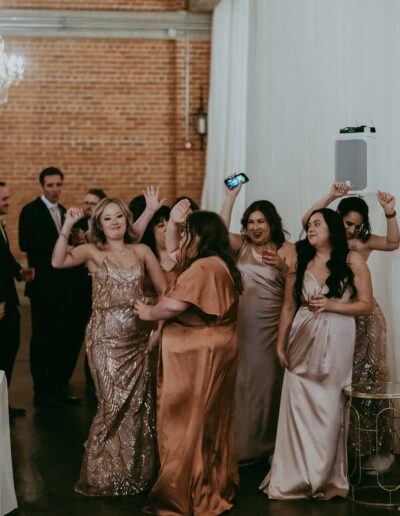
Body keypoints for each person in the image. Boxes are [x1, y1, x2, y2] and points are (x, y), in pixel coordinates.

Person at [52, 197, 166, 496]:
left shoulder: (141, 251)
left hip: (138, 338)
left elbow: (165, 290)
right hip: (103, 339)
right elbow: (57, 261)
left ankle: (135, 473)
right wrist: (66, 225)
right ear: (99, 225)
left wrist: (158, 329)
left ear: (127, 221)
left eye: (119, 217)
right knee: (112, 404)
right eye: (107, 218)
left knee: (138, 406)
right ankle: (103, 474)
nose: (115, 222)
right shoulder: (92, 251)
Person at [134, 203, 243, 515]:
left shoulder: (203, 267)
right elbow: (174, 256)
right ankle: (209, 483)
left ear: (201, 237)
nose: (182, 240)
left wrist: (147, 312)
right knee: (210, 418)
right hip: (214, 345)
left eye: (187, 234)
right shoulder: (217, 261)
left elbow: (171, 307)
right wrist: (176, 224)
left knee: (186, 420)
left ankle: (184, 491)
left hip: (199, 353)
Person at [260, 208, 373, 500]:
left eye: (317, 224)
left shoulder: (352, 260)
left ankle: (326, 476)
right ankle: (293, 476)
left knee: (330, 405)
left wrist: (332, 305)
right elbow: (288, 307)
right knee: (296, 402)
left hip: (337, 339)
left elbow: (366, 305)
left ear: (332, 228)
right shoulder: (299, 261)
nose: (310, 229)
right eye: (309, 225)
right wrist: (279, 343)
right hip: (301, 337)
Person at [301, 183, 399, 472]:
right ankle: (334, 449)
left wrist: (390, 213)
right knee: (336, 381)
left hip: (364, 317)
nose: (351, 231)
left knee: (367, 379)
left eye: (357, 226)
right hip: (331, 318)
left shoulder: (360, 245)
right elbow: (308, 219)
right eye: (347, 223)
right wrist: (332, 195)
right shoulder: (323, 242)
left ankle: (369, 450)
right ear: (337, 219)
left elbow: (394, 242)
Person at [220, 176, 296, 463]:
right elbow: (220, 232)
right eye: (251, 222)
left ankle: (267, 445)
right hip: (240, 323)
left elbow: (295, 285)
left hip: (270, 325)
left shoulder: (287, 248)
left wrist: (282, 266)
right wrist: (230, 197)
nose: (255, 227)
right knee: (240, 383)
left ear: (272, 223)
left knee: (266, 383)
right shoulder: (242, 247)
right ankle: (241, 446)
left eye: (261, 221)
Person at [18, 167, 81, 406]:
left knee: (60, 336)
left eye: (58, 185)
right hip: (43, 285)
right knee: (41, 337)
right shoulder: (30, 210)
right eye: (50, 185)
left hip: (62, 285)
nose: (55, 189)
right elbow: (25, 243)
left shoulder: (65, 211)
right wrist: (60, 241)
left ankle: (57, 384)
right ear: (42, 186)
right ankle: (40, 388)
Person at [0, 181, 31, 420]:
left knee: (9, 350)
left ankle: (2, 402)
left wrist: (19, 271)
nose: (8, 202)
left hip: (9, 300)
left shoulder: (0, 224)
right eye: (4, 199)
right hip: (2, 302)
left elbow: (4, 259)